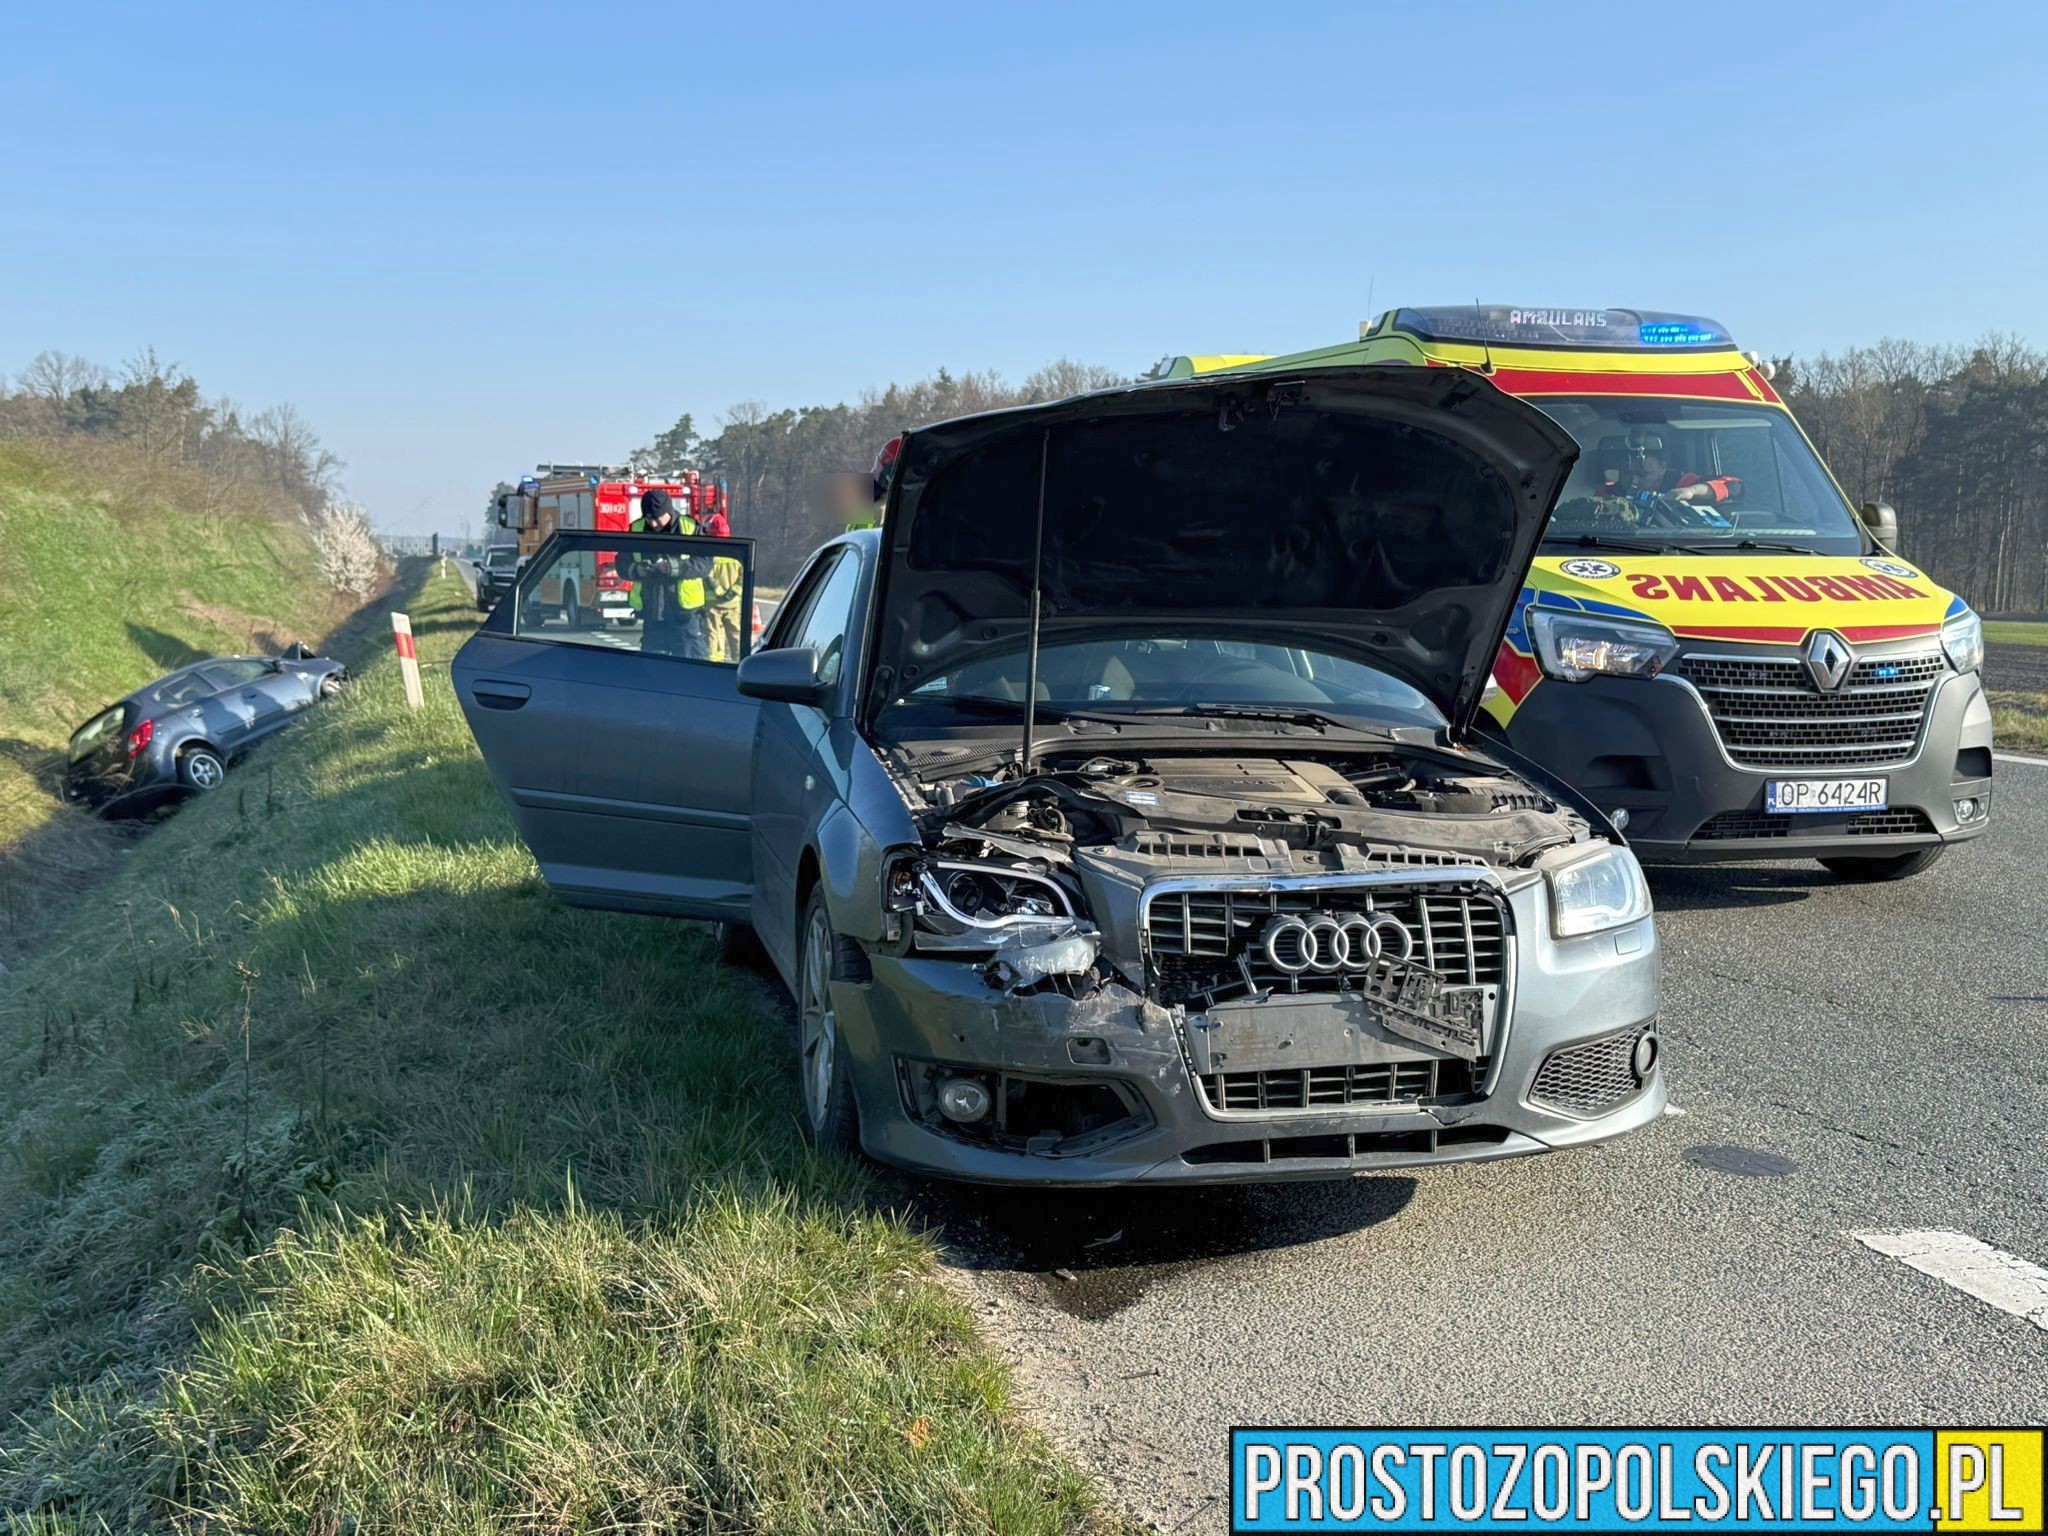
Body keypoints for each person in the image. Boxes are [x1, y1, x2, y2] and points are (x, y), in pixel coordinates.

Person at [624, 487, 714, 658]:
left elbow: (705, 563)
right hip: (653, 615)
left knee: (691, 670)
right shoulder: (636, 529)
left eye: (657, 518)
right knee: (652, 672)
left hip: (685, 617)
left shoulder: (690, 528)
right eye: (648, 518)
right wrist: (638, 570)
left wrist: (676, 568)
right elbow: (622, 563)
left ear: (668, 511)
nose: (653, 524)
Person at [1615, 428, 1742, 507]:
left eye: (1644, 474)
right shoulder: (1612, 491)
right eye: (1628, 473)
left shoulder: (1680, 483)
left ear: (1662, 468)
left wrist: (1691, 491)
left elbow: (1734, 486)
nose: (1634, 481)